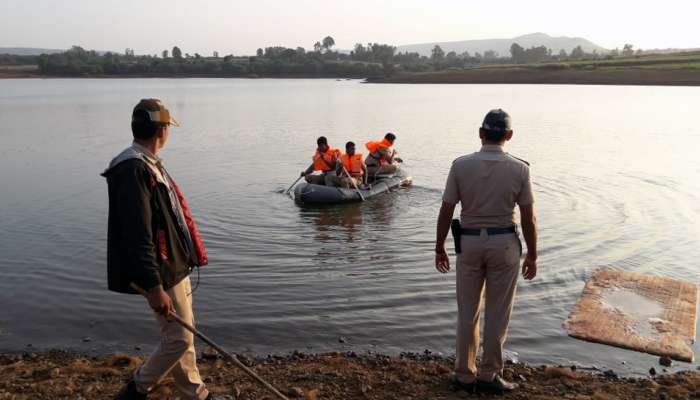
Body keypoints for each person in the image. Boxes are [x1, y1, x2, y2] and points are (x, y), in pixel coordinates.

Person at [103, 99, 221, 400]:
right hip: (161, 272)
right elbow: (137, 235)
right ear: (162, 130)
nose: (168, 132)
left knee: (184, 337)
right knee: (179, 339)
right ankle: (136, 389)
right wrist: (154, 286)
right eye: (168, 126)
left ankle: (195, 395)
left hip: (173, 266)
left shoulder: (147, 164)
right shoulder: (132, 169)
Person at [434, 109, 538, 395]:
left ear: (480, 133)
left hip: (468, 243)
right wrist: (532, 254)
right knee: (497, 314)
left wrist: (439, 246)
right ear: (509, 136)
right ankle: (489, 374)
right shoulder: (520, 169)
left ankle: (464, 374)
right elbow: (529, 218)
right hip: (503, 243)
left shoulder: (460, 166)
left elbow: (446, 210)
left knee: (467, 312)